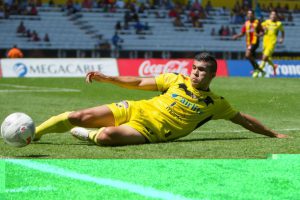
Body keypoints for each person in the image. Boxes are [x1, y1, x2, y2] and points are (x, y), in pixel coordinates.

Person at [33, 53, 288, 146]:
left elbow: (244, 120)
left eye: (201, 70)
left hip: (150, 131)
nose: (195, 72)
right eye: (194, 68)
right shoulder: (176, 79)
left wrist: (272, 134)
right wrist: (108, 78)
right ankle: (34, 135)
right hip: (133, 110)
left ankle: (87, 135)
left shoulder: (217, 103)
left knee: (106, 136)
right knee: (78, 115)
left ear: (212, 74)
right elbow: (139, 82)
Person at [233, 9, 265, 78]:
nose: (250, 15)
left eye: (251, 14)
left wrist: (259, 35)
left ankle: (256, 69)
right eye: (248, 14)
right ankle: (260, 70)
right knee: (249, 57)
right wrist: (237, 36)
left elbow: (262, 32)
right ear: (247, 15)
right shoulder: (246, 23)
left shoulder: (257, 22)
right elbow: (242, 33)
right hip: (248, 43)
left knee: (247, 55)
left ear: (253, 15)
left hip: (255, 42)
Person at [259, 10, 284, 77]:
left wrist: (282, 38)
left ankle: (258, 70)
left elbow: (282, 31)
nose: (273, 16)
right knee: (266, 58)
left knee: (264, 57)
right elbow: (259, 27)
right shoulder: (266, 22)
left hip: (272, 43)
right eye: (272, 14)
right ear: (270, 15)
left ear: (276, 16)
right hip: (265, 42)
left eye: (274, 14)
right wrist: (263, 29)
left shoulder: (279, 24)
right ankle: (274, 66)